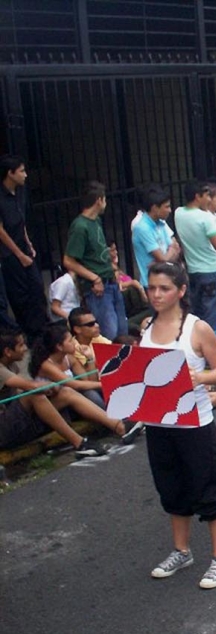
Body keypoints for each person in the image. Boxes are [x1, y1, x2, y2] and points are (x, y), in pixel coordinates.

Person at [141, 261, 216, 589]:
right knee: (171, 487)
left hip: (195, 425)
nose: (156, 294)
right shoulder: (146, 327)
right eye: (152, 287)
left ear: (181, 291)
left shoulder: (197, 329)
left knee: (208, 488)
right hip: (159, 424)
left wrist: (198, 377)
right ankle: (181, 551)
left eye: (164, 288)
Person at [0, 329, 107, 456]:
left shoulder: (12, 365)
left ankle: (118, 425)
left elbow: (19, 391)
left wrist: (52, 388)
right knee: (36, 395)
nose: (25, 348)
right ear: (7, 352)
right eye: (21, 345)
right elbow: (31, 386)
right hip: (4, 431)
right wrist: (49, 386)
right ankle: (79, 443)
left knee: (65, 392)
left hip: (16, 420)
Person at [62, 182, 128, 341]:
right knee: (108, 332)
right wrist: (94, 278)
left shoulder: (96, 221)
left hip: (110, 282)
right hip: (98, 287)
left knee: (121, 330)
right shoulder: (80, 226)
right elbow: (68, 261)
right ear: (99, 200)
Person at [172, 181, 216, 329]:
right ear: (198, 197)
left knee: (196, 311)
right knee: (212, 315)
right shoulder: (205, 218)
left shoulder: (178, 213)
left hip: (193, 271)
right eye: (207, 196)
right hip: (211, 271)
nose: (209, 200)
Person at [0, 155, 46, 339]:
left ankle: (42, 329)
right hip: (9, 254)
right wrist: (19, 254)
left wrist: (28, 244)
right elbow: (1, 230)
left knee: (36, 288)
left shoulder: (20, 192)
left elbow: (21, 221)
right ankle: (29, 333)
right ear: (10, 174)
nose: (25, 175)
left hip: (24, 248)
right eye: (21, 171)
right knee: (20, 296)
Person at [131, 185, 180, 289]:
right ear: (155, 208)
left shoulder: (161, 223)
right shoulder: (142, 227)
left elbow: (176, 249)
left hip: (169, 278)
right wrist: (169, 253)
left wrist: (164, 259)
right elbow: (164, 257)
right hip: (154, 284)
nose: (170, 210)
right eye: (166, 207)